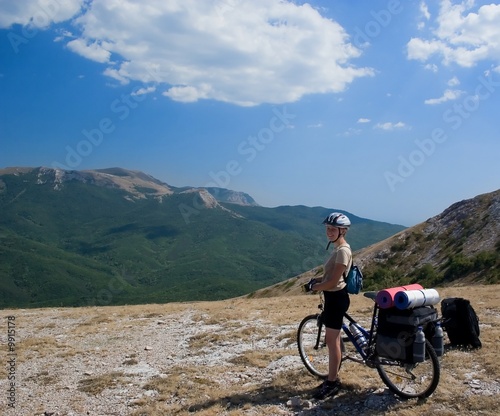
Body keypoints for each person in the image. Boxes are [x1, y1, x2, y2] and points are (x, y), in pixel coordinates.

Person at [305, 212, 352, 399]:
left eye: (333, 229)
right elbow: (331, 276)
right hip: (334, 298)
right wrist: (315, 280)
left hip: (336, 298)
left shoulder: (342, 251)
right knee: (334, 339)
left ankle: (332, 382)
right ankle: (333, 376)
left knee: (331, 343)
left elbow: (333, 282)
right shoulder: (337, 249)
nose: (329, 232)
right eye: (327, 228)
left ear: (343, 231)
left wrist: (315, 287)